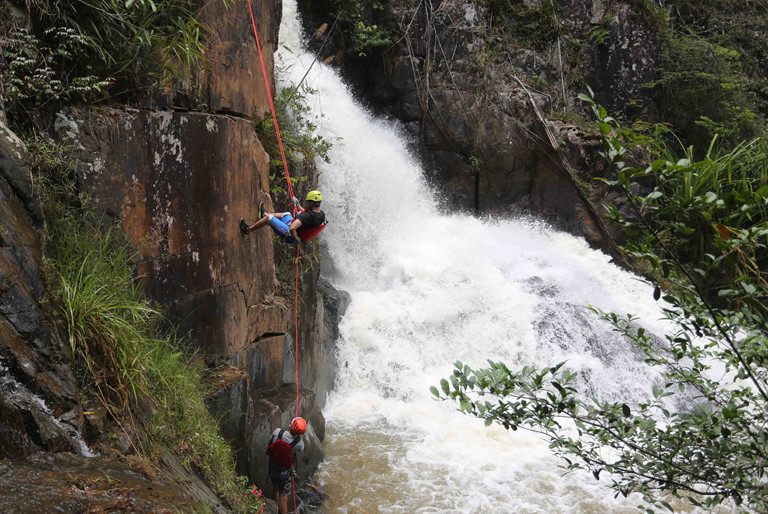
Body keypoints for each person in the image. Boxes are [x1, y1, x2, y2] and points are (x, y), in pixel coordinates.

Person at [240, 191, 326, 244]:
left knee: (269, 218)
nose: (307, 203)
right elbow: (308, 215)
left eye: (308, 202)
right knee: (286, 214)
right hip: (296, 232)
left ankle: (247, 230)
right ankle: (263, 214)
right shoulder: (321, 214)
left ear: (311, 203)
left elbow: (292, 228)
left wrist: (296, 239)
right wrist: (298, 205)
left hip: (290, 235)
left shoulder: (306, 216)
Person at [266, 417, 306, 514]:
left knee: (275, 488)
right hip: (285, 471)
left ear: (291, 425)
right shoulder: (299, 443)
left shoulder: (277, 432)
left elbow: (270, 441)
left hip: (273, 466)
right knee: (284, 497)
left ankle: (273, 509)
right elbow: (300, 449)